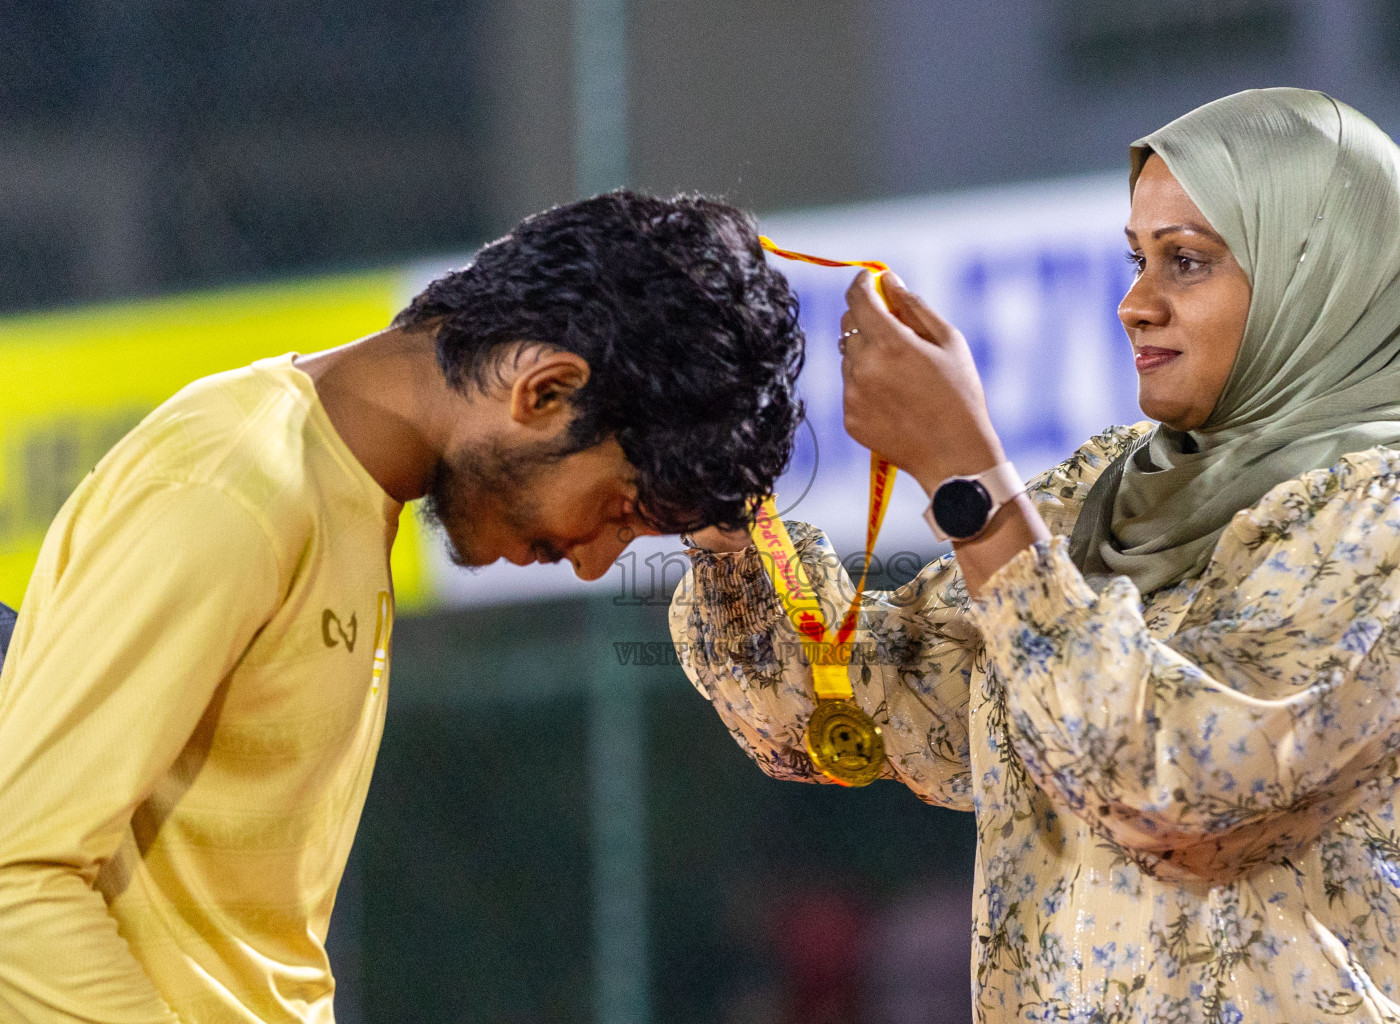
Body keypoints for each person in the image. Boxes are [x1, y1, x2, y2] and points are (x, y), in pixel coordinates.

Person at [672, 89, 1400, 1022]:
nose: (1134, 304)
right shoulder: (1110, 488)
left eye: (1185, 262)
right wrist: (721, 494)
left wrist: (968, 480)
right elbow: (850, 714)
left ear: (1322, 275)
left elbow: (1181, 792)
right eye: (1137, 259)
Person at [0, 190, 805, 1023]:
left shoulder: (343, 491)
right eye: (617, 510)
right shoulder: (235, 493)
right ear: (545, 390)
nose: (596, 561)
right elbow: (17, 884)